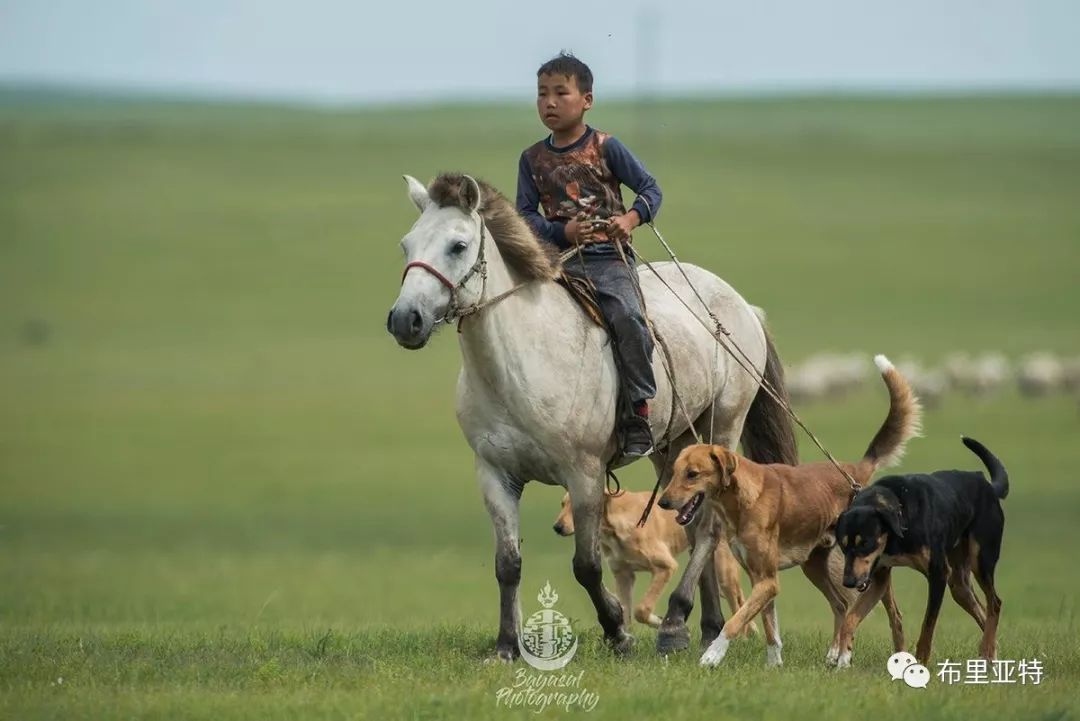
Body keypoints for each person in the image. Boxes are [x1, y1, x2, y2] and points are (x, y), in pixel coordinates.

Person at [516, 52, 663, 461]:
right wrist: (562, 231)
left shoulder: (606, 147)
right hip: (556, 261)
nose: (549, 102)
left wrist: (630, 219)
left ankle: (638, 412)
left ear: (587, 100)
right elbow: (524, 215)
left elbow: (650, 189)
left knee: (629, 318)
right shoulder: (531, 160)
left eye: (561, 93)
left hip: (607, 258)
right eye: (542, 93)